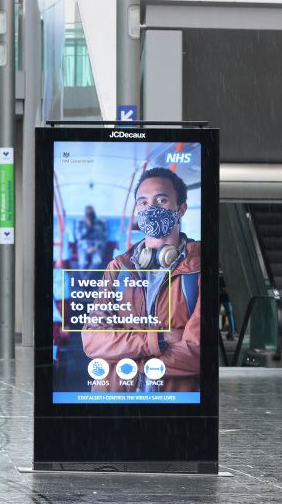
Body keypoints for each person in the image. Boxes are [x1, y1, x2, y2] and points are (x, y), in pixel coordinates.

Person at [82, 168, 201, 393]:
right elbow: (92, 341)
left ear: (181, 209)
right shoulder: (119, 267)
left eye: (162, 200)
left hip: (174, 402)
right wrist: (160, 339)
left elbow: (196, 353)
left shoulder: (198, 267)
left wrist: (123, 358)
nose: (151, 209)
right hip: (114, 400)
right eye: (143, 202)